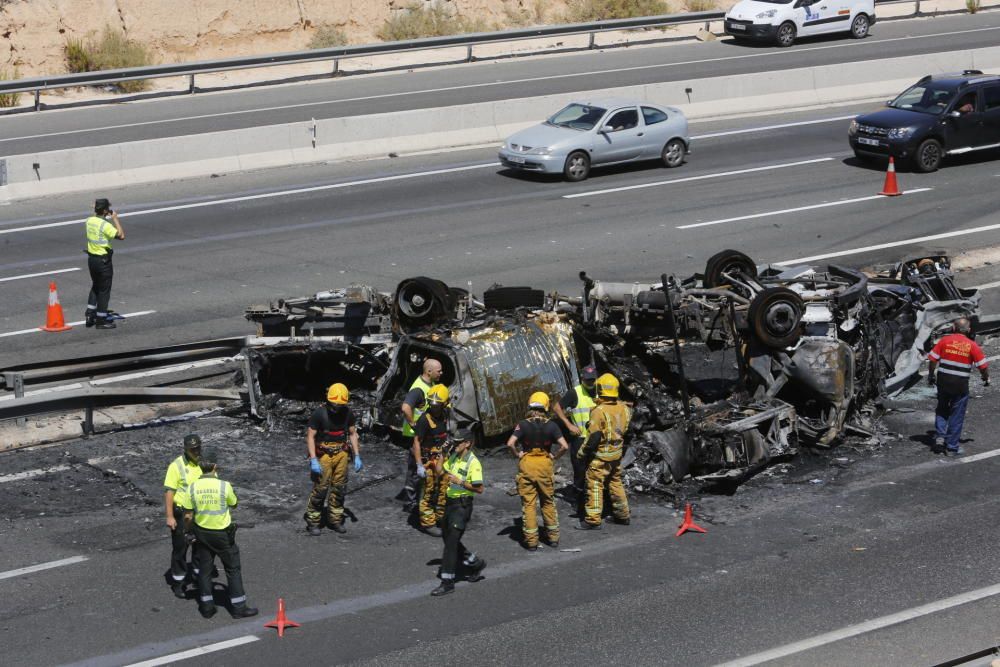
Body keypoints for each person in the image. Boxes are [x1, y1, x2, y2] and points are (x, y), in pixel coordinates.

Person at [181, 447, 258, 619]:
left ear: (200, 466)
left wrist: (188, 531)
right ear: (215, 466)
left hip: (202, 534)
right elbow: (234, 503)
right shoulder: (224, 486)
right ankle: (238, 607)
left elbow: (187, 515)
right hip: (223, 535)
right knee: (233, 569)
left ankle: (207, 607)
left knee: (205, 570)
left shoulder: (192, 488)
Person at [507, 392, 569, 551]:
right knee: (548, 502)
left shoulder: (522, 424)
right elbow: (565, 446)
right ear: (546, 406)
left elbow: (510, 443)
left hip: (527, 464)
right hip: (544, 465)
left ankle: (532, 542)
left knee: (529, 504)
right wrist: (554, 456)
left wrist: (517, 454)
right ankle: (553, 538)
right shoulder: (552, 425)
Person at [431, 427, 487, 597]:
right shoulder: (454, 457)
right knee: (448, 538)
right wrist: (441, 454)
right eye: (453, 442)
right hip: (450, 503)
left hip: (462, 506)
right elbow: (440, 472)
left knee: (450, 544)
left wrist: (461, 482)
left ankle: (447, 582)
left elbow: (480, 489)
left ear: (467, 443)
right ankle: (475, 564)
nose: (454, 445)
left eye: (457, 443)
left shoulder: (473, 462)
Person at [576, 373, 632, 530]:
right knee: (615, 483)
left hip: (601, 457)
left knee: (594, 484)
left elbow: (593, 437)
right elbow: (626, 431)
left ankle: (593, 520)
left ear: (600, 389)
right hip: (616, 454)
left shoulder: (598, 411)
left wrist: (582, 453)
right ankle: (623, 516)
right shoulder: (624, 408)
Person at [305, 383, 362, 535]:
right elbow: (311, 437)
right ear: (329, 400)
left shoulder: (348, 413)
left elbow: (352, 434)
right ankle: (313, 521)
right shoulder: (319, 414)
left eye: (340, 404)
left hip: (341, 453)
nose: (337, 407)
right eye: (335, 403)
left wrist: (357, 455)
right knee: (321, 489)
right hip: (323, 454)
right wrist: (313, 459)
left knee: (339, 488)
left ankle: (335, 520)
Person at [927, 318, 989, 456]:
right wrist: (985, 378)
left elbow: (932, 359)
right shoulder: (972, 345)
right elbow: (983, 367)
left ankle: (940, 437)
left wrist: (931, 375)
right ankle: (952, 447)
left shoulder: (944, 341)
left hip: (943, 381)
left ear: (953, 328)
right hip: (960, 385)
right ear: (968, 330)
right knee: (957, 414)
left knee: (942, 409)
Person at [398, 359, 443, 511]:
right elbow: (405, 408)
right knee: (415, 470)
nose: (441, 373)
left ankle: (418, 498)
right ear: (429, 371)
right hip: (415, 436)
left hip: (423, 435)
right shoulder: (418, 389)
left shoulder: (429, 385)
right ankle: (410, 504)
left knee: (421, 467)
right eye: (439, 371)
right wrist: (412, 423)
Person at [163, 434, 203, 598]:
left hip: (200, 513)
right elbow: (169, 492)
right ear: (186, 450)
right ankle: (178, 582)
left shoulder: (203, 463)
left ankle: (197, 576)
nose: (196, 451)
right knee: (181, 548)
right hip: (181, 515)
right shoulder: (176, 466)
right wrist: (170, 516)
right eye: (193, 449)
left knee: (200, 547)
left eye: (198, 448)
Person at [553, 365, 598, 506]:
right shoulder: (575, 393)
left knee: (595, 469)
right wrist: (569, 424)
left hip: (597, 438)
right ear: (582, 379)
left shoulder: (599, 391)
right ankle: (578, 499)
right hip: (580, 439)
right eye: (587, 380)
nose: (590, 383)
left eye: (592, 380)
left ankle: (594, 497)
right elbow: (557, 407)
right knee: (580, 470)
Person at [412, 384, 452, 536]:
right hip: (429, 460)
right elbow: (416, 442)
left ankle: (441, 517)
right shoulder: (424, 420)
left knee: (444, 489)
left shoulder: (446, 413)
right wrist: (419, 465)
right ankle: (428, 523)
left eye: (438, 405)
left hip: (443, 458)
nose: (434, 407)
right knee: (428, 490)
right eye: (433, 404)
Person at [84, 198, 125, 330]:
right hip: (103, 261)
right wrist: (115, 218)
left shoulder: (89, 221)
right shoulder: (105, 225)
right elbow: (121, 235)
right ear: (106, 210)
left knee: (95, 286)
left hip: (92, 260)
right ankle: (101, 320)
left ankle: (90, 314)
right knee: (104, 290)